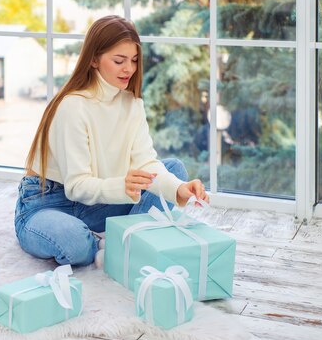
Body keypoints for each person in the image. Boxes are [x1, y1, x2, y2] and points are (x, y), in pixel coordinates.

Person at [14, 15, 209, 268]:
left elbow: (146, 162)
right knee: (74, 242)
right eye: (119, 61)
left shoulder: (132, 104)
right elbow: (76, 186)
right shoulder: (73, 106)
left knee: (174, 171)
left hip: (98, 203)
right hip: (48, 203)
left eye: (134, 60)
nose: (129, 69)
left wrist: (178, 189)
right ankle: (120, 243)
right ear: (94, 59)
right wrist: (123, 186)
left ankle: (120, 242)